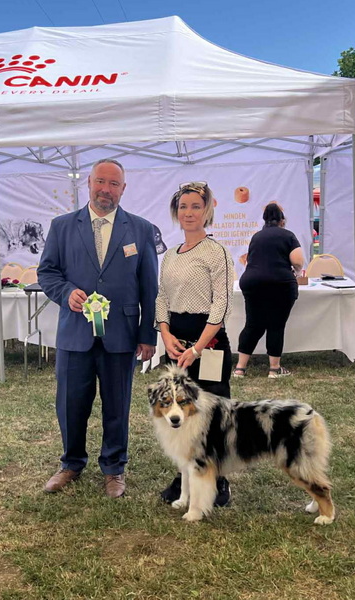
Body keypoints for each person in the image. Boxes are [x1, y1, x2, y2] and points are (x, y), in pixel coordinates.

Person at [38, 159, 158, 498]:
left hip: (121, 335)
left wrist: (147, 335)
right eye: (100, 182)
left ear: (123, 189)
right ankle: (71, 463)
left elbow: (149, 286)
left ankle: (114, 468)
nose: (106, 189)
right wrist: (66, 293)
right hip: (74, 333)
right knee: (70, 403)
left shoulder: (141, 229)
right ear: (88, 183)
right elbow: (47, 273)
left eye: (113, 184)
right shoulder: (62, 226)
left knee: (117, 405)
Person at [155, 181, 235, 506]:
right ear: (176, 212)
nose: (189, 213)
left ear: (207, 211)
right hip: (175, 343)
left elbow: (221, 304)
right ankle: (184, 477)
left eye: (196, 207)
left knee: (213, 415)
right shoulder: (170, 256)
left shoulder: (217, 253)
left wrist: (197, 348)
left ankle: (219, 479)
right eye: (183, 207)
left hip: (208, 344)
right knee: (179, 413)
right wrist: (165, 334)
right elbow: (162, 297)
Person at [234, 202, 304, 378]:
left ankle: (240, 368)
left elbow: (251, 260)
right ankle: (274, 369)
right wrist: (296, 271)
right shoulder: (288, 235)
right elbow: (298, 261)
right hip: (280, 283)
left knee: (253, 324)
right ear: (282, 220)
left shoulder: (257, 237)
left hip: (252, 282)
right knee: (276, 325)